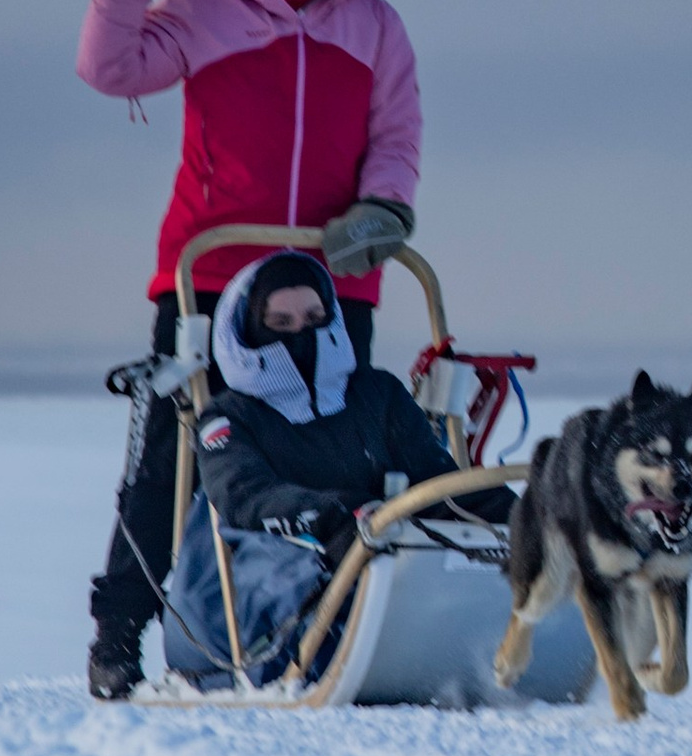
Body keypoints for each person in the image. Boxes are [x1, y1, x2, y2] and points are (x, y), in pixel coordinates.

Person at [78, 0, 422, 697]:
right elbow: (109, 68)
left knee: (349, 454)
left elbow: (397, 136)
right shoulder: (203, 13)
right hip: (210, 274)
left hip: (333, 283)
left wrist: (383, 212)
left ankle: (348, 616)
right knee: (175, 454)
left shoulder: (373, 25)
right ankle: (122, 628)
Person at [162, 251, 509, 683]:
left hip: (377, 560)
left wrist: (520, 515)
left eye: (314, 317)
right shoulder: (228, 418)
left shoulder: (376, 393)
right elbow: (243, 498)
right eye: (280, 324)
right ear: (250, 332)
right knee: (331, 550)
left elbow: (436, 484)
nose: (301, 334)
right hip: (258, 589)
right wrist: (342, 516)